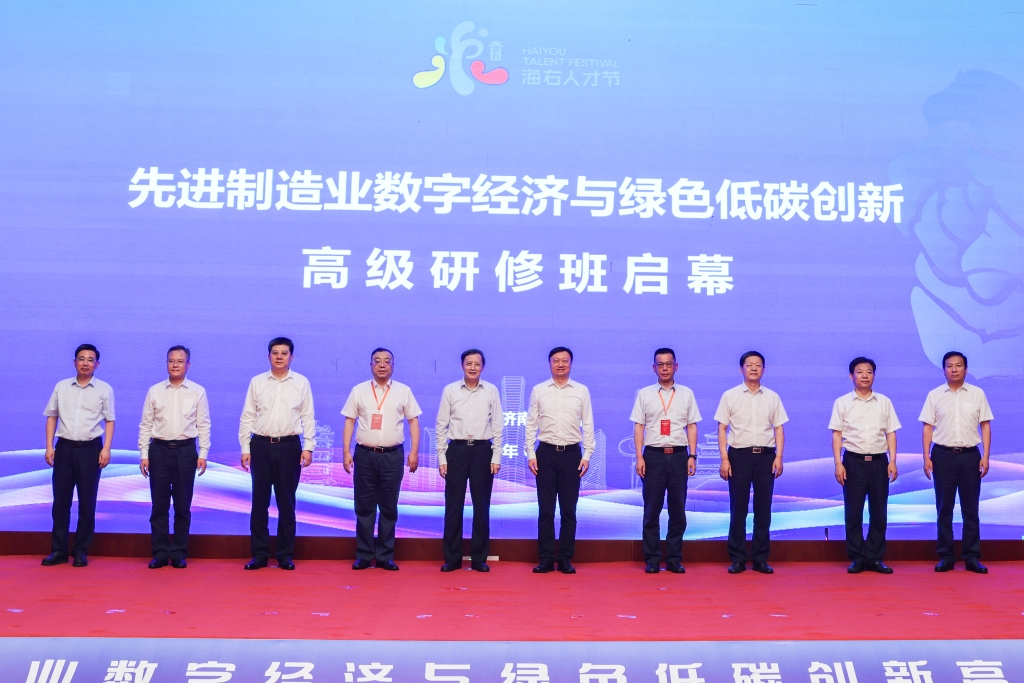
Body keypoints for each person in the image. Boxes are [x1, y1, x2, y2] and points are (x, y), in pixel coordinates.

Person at [238, 337, 315, 570]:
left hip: (289, 447)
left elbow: (308, 416)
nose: (279, 357)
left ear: (292, 357)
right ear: (268, 356)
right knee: (259, 502)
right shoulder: (257, 382)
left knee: (286, 502)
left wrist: (308, 446)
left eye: (284, 353)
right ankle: (260, 554)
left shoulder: (301, 382)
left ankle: (284, 554)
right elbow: (247, 416)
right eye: (275, 353)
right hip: (260, 446)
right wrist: (245, 448)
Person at [342, 348, 421, 571]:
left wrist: (414, 452)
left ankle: (385, 555)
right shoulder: (359, 390)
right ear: (371, 365)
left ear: (393, 365)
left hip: (392, 456)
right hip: (365, 455)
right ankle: (364, 555)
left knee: (388, 507)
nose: (382, 365)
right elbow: (349, 421)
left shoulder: (403, 391)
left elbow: (413, 422)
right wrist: (346, 451)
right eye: (377, 361)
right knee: (364, 507)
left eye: (387, 361)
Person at [41, 344, 115, 568]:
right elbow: (52, 416)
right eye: (81, 359)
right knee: (60, 502)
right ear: (74, 362)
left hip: (91, 450)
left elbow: (109, 420)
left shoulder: (104, 389)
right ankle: (59, 550)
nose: (85, 363)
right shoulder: (61, 386)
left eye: (90, 360)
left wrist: (106, 448)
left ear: (97, 365)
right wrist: (49, 446)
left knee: (87, 502)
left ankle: (81, 550)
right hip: (64, 448)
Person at [715, 351, 788, 575]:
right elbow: (722, 428)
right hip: (739, 456)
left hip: (766, 456)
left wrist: (779, 457)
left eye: (758, 365)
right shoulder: (730, 395)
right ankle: (737, 558)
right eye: (749, 365)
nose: (754, 368)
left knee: (763, 509)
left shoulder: (772, 397)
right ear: (741, 369)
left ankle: (760, 559)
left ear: (764, 369)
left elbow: (779, 428)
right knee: (738, 509)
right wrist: (724, 459)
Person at [138, 345, 211, 569]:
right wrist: (144, 454)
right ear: (166, 363)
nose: (175, 365)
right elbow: (146, 424)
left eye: (180, 361)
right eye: (171, 361)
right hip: (158, 451)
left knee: (182, 505)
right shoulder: (155, 391)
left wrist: (203, 453)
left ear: (188, 364)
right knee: (159, 505)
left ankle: (179, 552)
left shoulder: (197, 391)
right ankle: (160, 553)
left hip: (186, 451)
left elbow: (203, 424)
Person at [920, 351, 993, 574]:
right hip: (942, 456)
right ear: (944, 370)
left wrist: (986, 456)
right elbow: (927, 428)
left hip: (970, 456)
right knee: (944, 508)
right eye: (949, 366)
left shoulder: (977, 393)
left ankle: (971, 557)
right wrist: (926, 457)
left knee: (971, 508)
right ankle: (946, 556)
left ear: (966, 369)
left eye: (958, 365)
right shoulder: (934, 395)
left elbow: (985, 425)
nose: (954, 369)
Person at [525, 347, 596, 575]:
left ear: (571, 364)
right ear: (550, 364)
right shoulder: (539, 390)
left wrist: (587, 454)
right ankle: (546, 558)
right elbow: (531, 424)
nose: (561, 364)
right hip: (545, 454)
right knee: (545, 510)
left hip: (572, 455)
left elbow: (588, 423)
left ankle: (565, 557)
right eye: (556, 361)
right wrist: (530, 453)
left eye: (565, 361)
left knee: (568, 510)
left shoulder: (581, 391)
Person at [631, 348, 701, 574]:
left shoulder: (687, 394)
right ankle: (652, 559)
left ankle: (673, 559)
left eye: (668, 364)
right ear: (654, 368)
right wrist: (639, 457)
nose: (664, 368)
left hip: (679, 456)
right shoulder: (644, 394)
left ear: (676, 367)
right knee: (651, 509)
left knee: (678, 510)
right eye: (660, 365)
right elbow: (639, 426)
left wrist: (692, 455)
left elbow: (692, 426)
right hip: (653, 456)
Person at [829, 357, 900, 574]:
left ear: (874, 375)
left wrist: (893, 461)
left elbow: (891, 433)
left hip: (879, 462)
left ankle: (875, 558)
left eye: (869, 371)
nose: (865, 375)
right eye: (859, 372)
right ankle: (857, 558)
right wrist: (838, 463)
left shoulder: (884, 402)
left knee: (879, 512)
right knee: (853, 513)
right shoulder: (842, 402)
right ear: (851, 376)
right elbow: (837, 435)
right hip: (853, 462)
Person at [436, 349, 503, 572]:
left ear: (483, 367)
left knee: (481, 506)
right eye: (469, 363)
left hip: (483, 451)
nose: (473, 367)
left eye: (477, 364)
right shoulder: (450, 390)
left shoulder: (491, 390)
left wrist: (496, 456)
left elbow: (497, 425)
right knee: (453, 506)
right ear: (462, 365)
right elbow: (441, 425)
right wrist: (442, 457)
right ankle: (452, 558)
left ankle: (479, 558)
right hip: (456, 450)